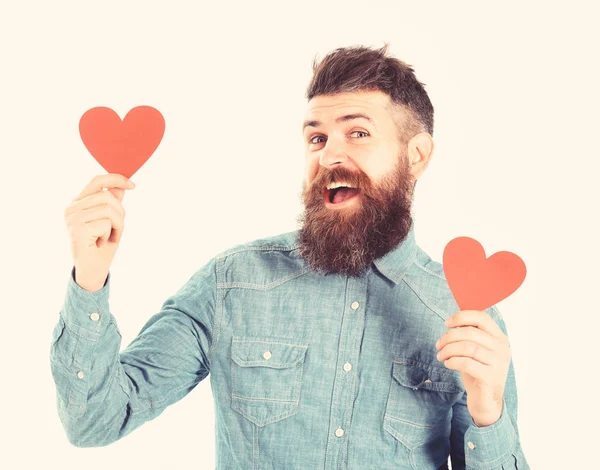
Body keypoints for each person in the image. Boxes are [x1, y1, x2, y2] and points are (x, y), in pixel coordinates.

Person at [51, 44, 529, 469]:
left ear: (417, 155)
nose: (328, 156)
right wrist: (89, 280)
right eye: (316, 138)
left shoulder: (465, 313)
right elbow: (94, 422)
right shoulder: (231, 283)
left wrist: (488, 410)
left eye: (357, 133)